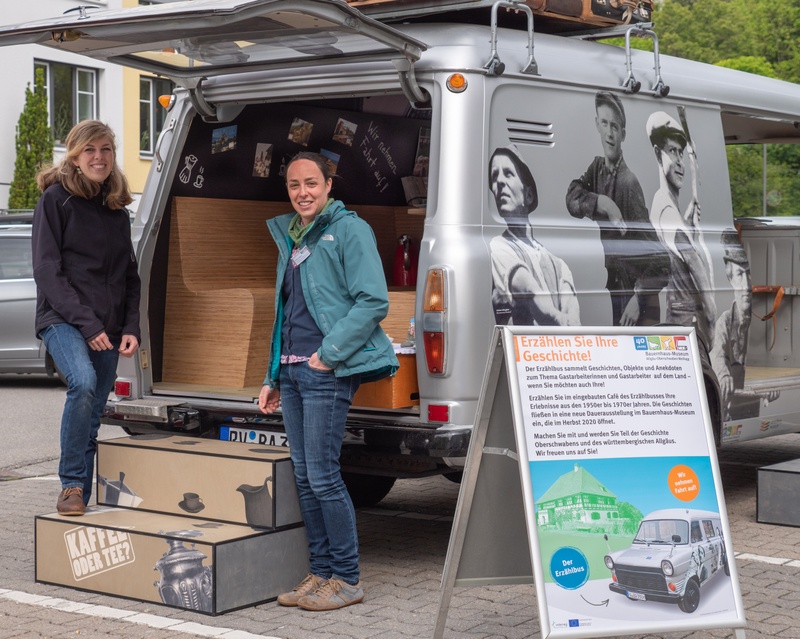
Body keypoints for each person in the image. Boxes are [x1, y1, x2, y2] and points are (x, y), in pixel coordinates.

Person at [258, 151, 398, 611]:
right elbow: (286, 312)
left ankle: (347, 578)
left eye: (312, 183)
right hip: (294, 371)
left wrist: (327, 355)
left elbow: (373, 301)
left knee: (323, 476)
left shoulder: (348, 230)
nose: (303, 192)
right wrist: (272, 374)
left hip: (325, 371)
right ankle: (320, 574)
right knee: (304, 476)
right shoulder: (292, 236)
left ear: (329, 185)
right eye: (295, 185)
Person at [32, 120, 141, 517]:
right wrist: (88, 324)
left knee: (94, 411)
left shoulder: (116, 211)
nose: (99, 157)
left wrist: (130, 327)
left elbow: (130, 276)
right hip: (62, 318)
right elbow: (47, 270)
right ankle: (71, 485)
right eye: (90, 150)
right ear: (75, 157)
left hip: (109, 324)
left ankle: (81, 499)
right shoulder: (55, 200)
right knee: (83, 384)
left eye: (106, 149)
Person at [566, 92, 668, 326]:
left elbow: (662, 259)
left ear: (623, 134)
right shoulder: (597, 169)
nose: (609, 133)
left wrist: (638, 298)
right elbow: (572, 198)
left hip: (638, 303)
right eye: (604, 123)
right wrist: (603, 203)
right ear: (597, 125)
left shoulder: (628, 183)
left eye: (615, 127)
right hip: (619, 291)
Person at [646, 111, 716, 349]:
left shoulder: (662, 203)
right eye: (672, 151)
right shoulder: (667, 211)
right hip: (687, 321)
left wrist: (686, 223)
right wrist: (713, 323)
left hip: (677, 317)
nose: (679, 161)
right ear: (658, 154)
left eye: (681, 153)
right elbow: (696, 269)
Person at [488, 146, 580, 326]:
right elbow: (532, 294)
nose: (499, 181)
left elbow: (572, 310)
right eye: (494, 176)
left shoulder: (559, 265)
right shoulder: (499, 247)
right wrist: (567, 329)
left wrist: (571, 327)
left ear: (528, 195)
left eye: (508, 173)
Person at [710, 229, 779, 420]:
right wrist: (723, 376)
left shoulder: (762, 319)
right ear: (730, 279)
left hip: (750, 412)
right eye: (740, 274)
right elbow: (718, 355)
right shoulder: (724, 323)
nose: (746, 283)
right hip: (730, 413)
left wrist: (771, 384)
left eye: (749, 274)